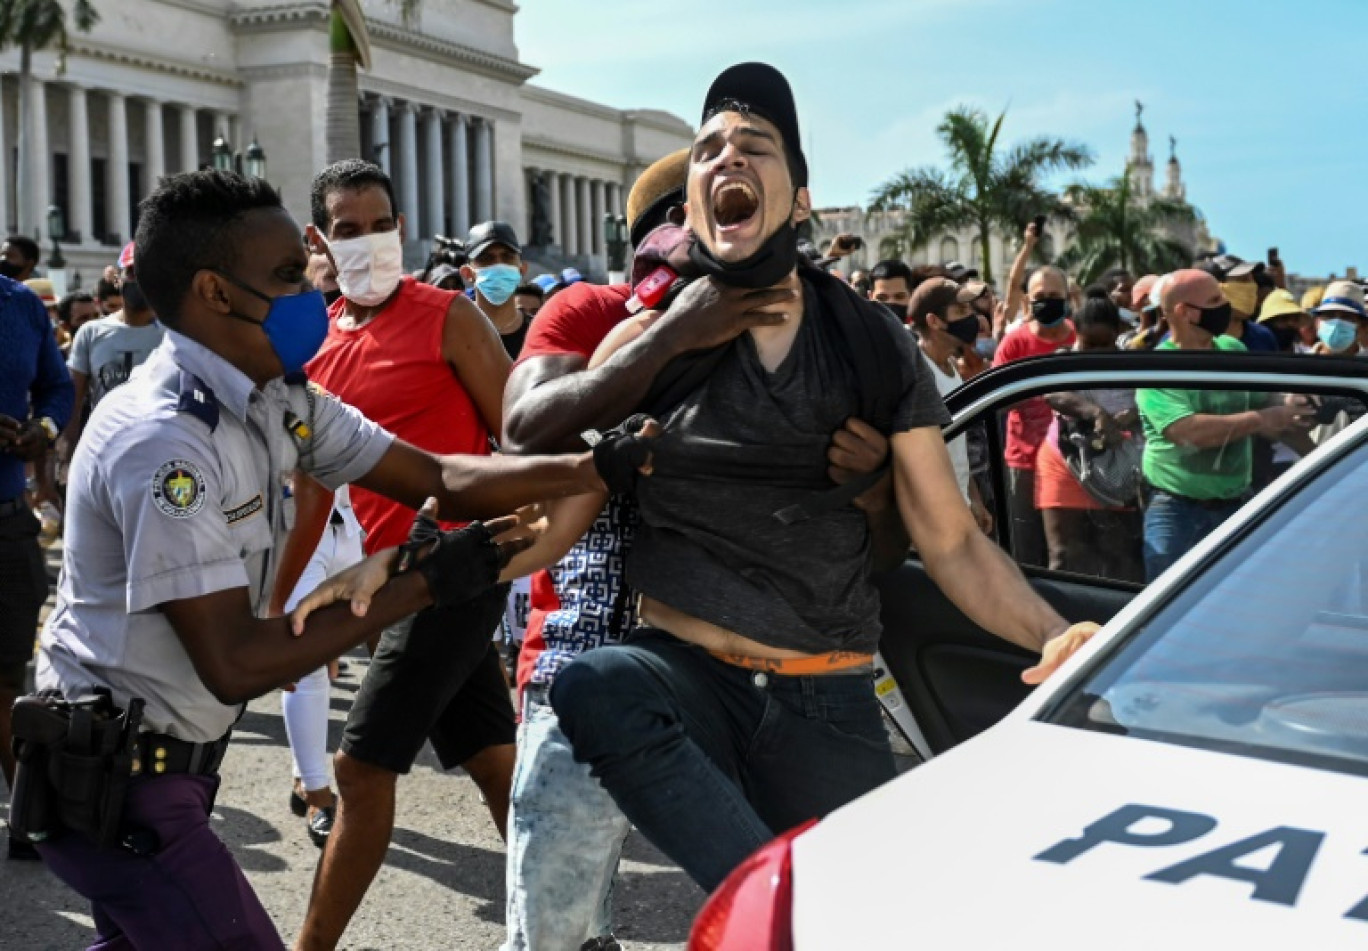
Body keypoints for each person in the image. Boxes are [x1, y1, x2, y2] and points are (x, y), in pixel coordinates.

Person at [547, 61, 1098, 895]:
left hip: (824, 697)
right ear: (690, 199)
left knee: (866, 913)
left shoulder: (873, 344)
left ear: (800, 198)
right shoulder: (648, 345)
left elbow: (949, 539)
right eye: (708, 152)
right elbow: (556, 495)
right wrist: (417, 567)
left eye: (754, 147)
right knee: (595, 685)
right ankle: (769, 910)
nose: (727, 161)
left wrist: (1053, 634)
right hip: (682, 679)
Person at [31, 168, 606, 950]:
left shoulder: (279, 397)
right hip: (122, 788)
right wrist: (426, 582)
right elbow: (234, 661)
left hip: (169, 771)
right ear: (215, 291)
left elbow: (436, 474)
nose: (313, 289)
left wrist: (593, 468)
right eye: (288, 275)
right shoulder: (163, 443)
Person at [289, 160, 519, 951]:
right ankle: (573, 922)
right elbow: (315, 491)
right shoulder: (315, 343)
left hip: (454, 568)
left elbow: (519, 440)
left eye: (379, 223)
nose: (367, 241)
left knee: (356, 771)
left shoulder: (451, 316)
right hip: (377, 581)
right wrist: (283, 599)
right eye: (346, 230)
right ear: (319, 241)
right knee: (494, 761)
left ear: (401, 224)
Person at [1136, 270, 1311, 580]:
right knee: (1166, 606)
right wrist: (1262, 420)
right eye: (1215, 300)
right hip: (1176, 510)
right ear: (1185, 312)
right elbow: (1188, 431)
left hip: (1234, 504)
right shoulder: (1158, 368)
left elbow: (1262, 402)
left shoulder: (1233, 350)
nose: (1225, 306)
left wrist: (1288, 407)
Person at [0, 269, 73, 860]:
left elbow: (56, 389)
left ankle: (28, 821)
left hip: (8, 523)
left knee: (9, 678)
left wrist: (39, 431)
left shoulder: (21, 305)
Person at [1037, 296, 1143, 582]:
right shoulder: (1064, 359)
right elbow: (1053, 394)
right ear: (1077, 336)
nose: (1097, 352)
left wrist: (1132, 415)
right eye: (1089, 344)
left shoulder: (1133, 364)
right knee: (1064, 555)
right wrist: (1095, 412)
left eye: (1104, 344)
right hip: (1065, 460)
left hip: (1119, 464)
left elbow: (1150, 402)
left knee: (1120, 555)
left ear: (1117, 334)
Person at [992, 264, 1076, 567]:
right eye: (1040, 296)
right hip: (1024, 463)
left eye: (1055, 295)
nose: (1048, 301)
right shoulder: (1014, 344)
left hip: (1073, 465)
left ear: (1068, 299)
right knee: (1026, 556)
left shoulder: (1081, 341)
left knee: (1066, 555)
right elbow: (996, 401)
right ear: (1027, 301)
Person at [60, 243, 165, 460]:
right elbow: (74, 401)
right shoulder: (91, 333)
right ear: (117, 279)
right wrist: (68, 453)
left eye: (148, 273)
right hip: (105, 450)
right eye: (132, 273)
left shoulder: (176, 334)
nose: (140, 281)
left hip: (161, 447)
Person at [905, 276, 992, 532]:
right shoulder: (917, 374)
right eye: (961, 311)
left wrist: (973, 499)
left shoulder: (952, 367)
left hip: (958, 510)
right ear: (934, 321)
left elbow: (957, 445)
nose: (972, 318)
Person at [461, 220, 531, 359]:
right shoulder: (455, 332)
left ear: (522, 270)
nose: (498, 265)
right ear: (468, 273)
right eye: (486, 258)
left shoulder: (538, 331)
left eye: (507, 257)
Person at [1310, 280, 1367, 356]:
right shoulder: (1298, 365)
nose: (1337, 322)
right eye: (1330, 315)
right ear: (1317, 322)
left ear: (1361, 326)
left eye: (1347, 317)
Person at [1257, 287, 1312, 353]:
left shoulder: (1309, 355)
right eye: (1284, 318)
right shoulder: (1252, 354)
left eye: (1295, 319)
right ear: (1268, 322)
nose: (1291, 323)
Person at [866, 258, 914, 322]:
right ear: (870, 297)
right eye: (882, 298)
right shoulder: (859, 329)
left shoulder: (922, 329)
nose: (891, 302)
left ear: (911, 295)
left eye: (899, 297)